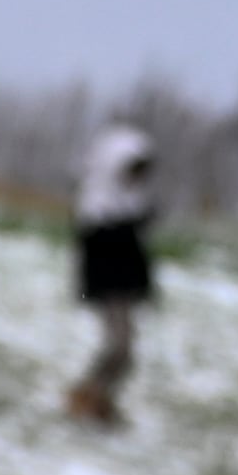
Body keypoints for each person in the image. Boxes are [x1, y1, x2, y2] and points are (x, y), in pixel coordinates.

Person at [66, 126, 156, 423]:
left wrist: (145, 286)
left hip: (124, 289)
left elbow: (137, 255)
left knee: (125, 351)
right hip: (108, 289)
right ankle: (88, 396)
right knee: (120, 347)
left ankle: (97, 397)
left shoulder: (131, 202)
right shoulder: (96, 205)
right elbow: (96, 254)